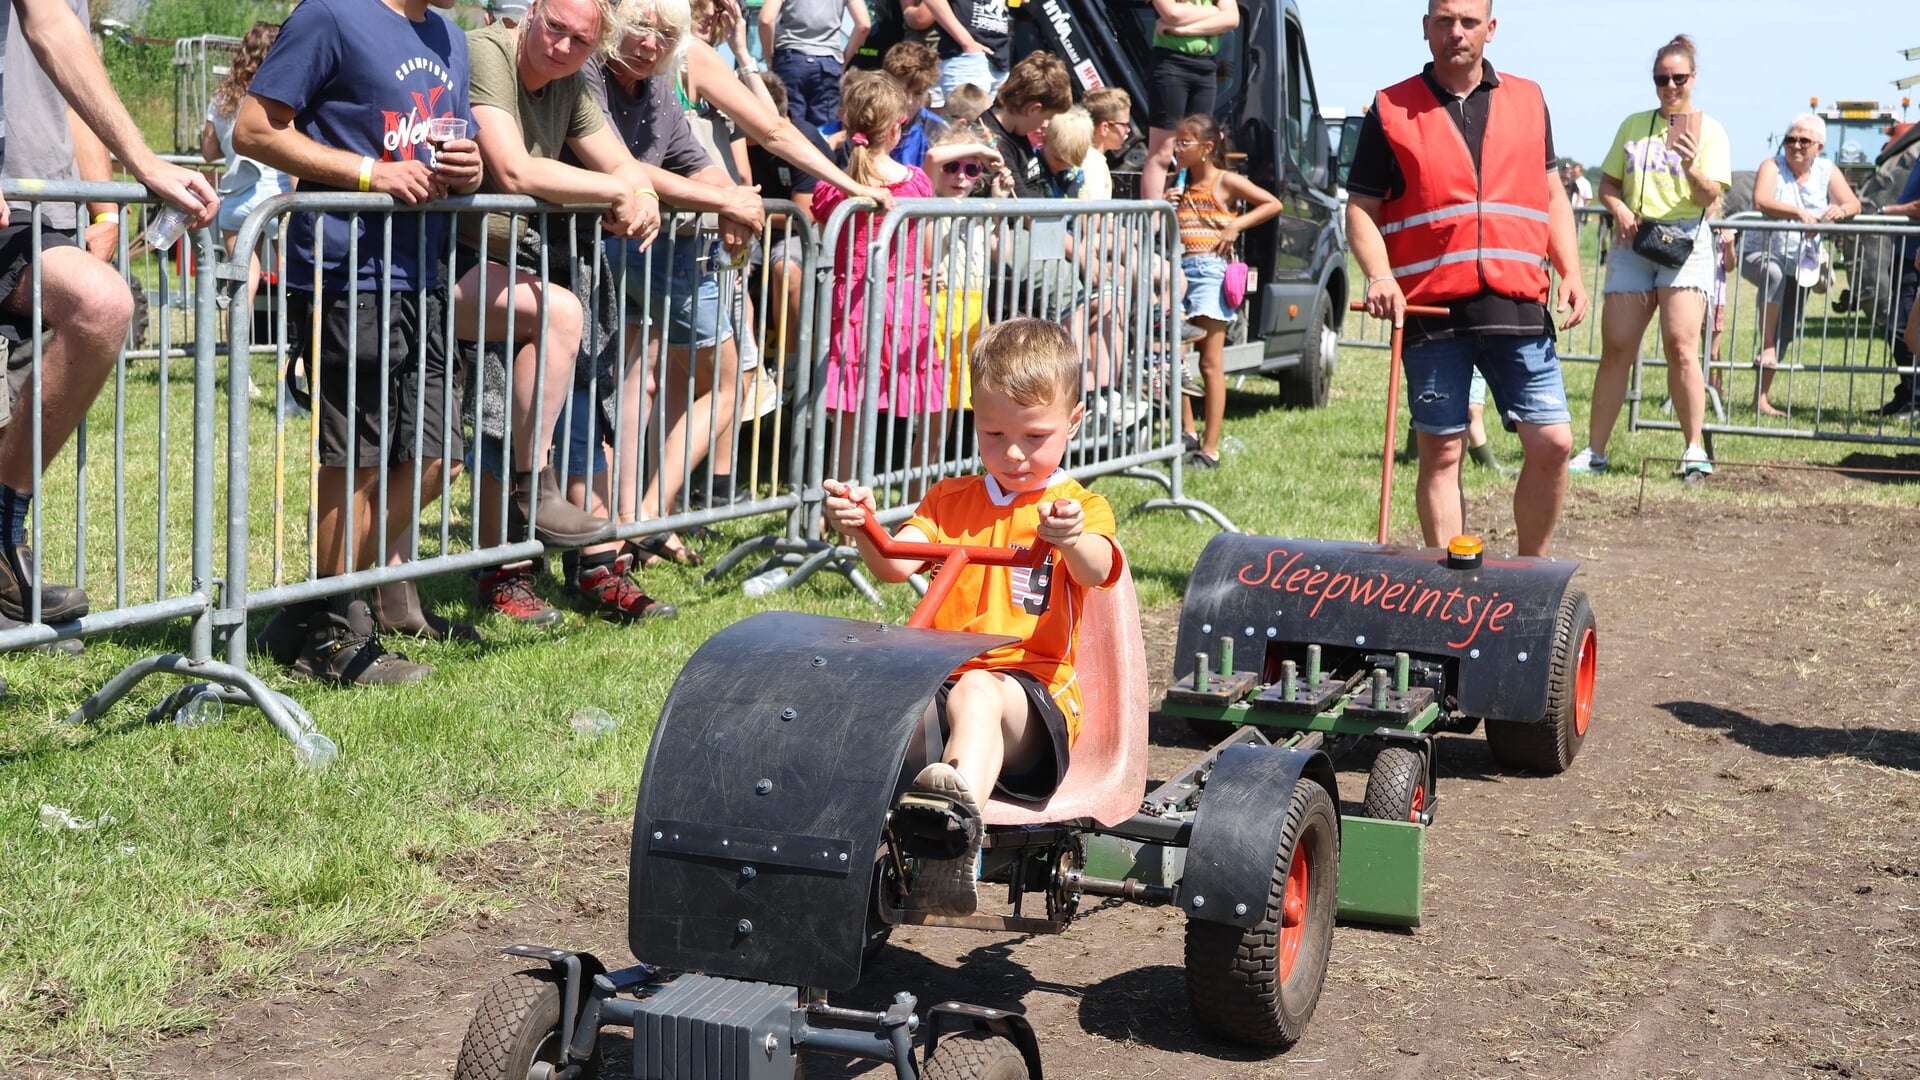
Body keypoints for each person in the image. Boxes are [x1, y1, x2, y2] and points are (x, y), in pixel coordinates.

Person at [821, 317, 1121, 915]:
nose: (1013, 453)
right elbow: (896, 562)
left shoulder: (1078, 507)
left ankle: (955, 841)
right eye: (993, 434)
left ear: (1075, 421)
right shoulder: (948, 500)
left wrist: (1069, 539)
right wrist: (862, 528)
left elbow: (1097, 567)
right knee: (854, 690)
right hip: (941, 680)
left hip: (1031, 700)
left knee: (980, 688)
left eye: (1035, 437)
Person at [236, 0, 484, 680]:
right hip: (347, 271)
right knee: (358, 461)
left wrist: (470, 171)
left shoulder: (450, 38)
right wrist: (371, 174)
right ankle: (330, 631)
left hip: (424, 273)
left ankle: (312, 607)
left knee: (438, 459)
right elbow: (254, 130)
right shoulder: (329, 16)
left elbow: (445, 147)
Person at [0, 0, 218, 635]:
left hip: (45, 208)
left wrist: (107, 201)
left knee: (101, 305)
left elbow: (69, 62)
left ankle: (5, 539)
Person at [1346, 0, 1587, 558]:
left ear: (1491, 29)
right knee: (1442, 451)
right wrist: (1379, 276)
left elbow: (1552, 196)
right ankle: (1450, 583)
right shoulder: (1390, 108)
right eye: (1444, 21)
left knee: (1552, 442)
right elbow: (1360, 208)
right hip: (1432, 309)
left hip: (1518, 301)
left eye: (1469, 21)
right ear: (1425, 27)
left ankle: (1529, 572)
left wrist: (1571, 270)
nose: (1457, 33)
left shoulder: (1529, 99)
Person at [459, 0, 667, 624]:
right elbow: (514, 168)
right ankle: (503, 564)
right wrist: (616, 190)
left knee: (581, 410)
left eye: (579, 41)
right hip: (457, 266)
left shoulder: (573, 81)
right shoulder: (485, 49)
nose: (561, 46)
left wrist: (646, 191)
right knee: (487, 423)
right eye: (554, 27)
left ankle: (592, 564)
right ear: (533, 13)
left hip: (546, 266)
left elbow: (625, 165)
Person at [1572, 34, 1728, 479]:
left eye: (1679, 78)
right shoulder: (1633, 125)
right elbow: (1608, 185)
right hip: (1635, 245)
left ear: (1693, 78)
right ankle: (1595, 452)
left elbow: (1708, 196)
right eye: (1662, 79)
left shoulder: (1710, 130)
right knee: (1616, 348)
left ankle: (1694, 449)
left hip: (1685, 245)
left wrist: (1689, 164)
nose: (1670, 86)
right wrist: (1619, 208)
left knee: (1681, 346)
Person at [811, 70, 939, 480]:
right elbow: (924, 246)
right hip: (901, 302)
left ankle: (841, 501)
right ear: (896, 128)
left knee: (851, 407)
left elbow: (823, 236)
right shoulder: (916, 184)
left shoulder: (833, 188)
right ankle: (917, 500)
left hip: (850, 304)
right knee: (921, 401)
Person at [1167, 113, 1279, 469]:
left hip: (1210, 273)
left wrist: (1236, 226)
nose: (1177, 149)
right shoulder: (1179, 182)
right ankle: (1187, 432)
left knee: (1210, 362)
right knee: (1173, 356)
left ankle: (1210, 448)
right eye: (1176, 142)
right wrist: (1167, 203)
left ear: (1207, 147)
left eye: (1185, 143)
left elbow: (1272, 203)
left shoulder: (1225, 182)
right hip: (1178, 271)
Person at [1739, 115, 1860, 415]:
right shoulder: (1772, 165)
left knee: (1788, 328)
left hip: (1801, 261)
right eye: (1790, 139)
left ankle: (1761, 399)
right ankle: (1766, 345)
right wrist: (1797, 213)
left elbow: (1854, 203)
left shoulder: (1827, 170)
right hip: (1761, 252)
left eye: (1803, 141)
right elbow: (1761, 201)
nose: (1795, 145)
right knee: (1774, 273)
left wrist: (1839, 211)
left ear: (1819, 146)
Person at [201, 20, 293, 395]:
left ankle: (241, 375)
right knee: (294, 284)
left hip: (237, 201)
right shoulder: (277, 96)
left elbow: (209, 152)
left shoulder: (222, 97)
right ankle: (295, 366)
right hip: (278, 198)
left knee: (242, 286)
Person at [1139, 0, 1238, 202]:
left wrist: (1184, 30)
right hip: (1171, 63)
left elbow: (1232, 18)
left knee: (1197, 148)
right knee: (1163, 150)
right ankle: (1153, 221)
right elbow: (1172, 13)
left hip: (1206, 67)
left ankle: (1188, 214)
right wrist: (1214, 11)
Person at [757, 0, 868, 130]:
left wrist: (769, 57)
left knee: (789, 128)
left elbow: (766, 20)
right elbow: (864, 25)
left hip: (791, 60)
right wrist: (843, 61)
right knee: (825, 132)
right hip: (827, 64)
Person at [1876, 163, 1920, 419]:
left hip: (1914, 254)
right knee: (1899, 327)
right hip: (1907, 251)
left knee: (1903, 328)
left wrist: (1887, 210)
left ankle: (1915, 399)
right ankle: (1907, 394)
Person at [882, 40, 946, 169]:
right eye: (902, 91)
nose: (909, 101)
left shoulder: (937, 130)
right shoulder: (867, 121)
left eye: (918, 93)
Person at [1080, 87, 1133, 202]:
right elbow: (1093, 214)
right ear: (1105, 128)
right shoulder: (1094, 164)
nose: (1128, 130)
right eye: (1124, 125)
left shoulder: (1084, 156)